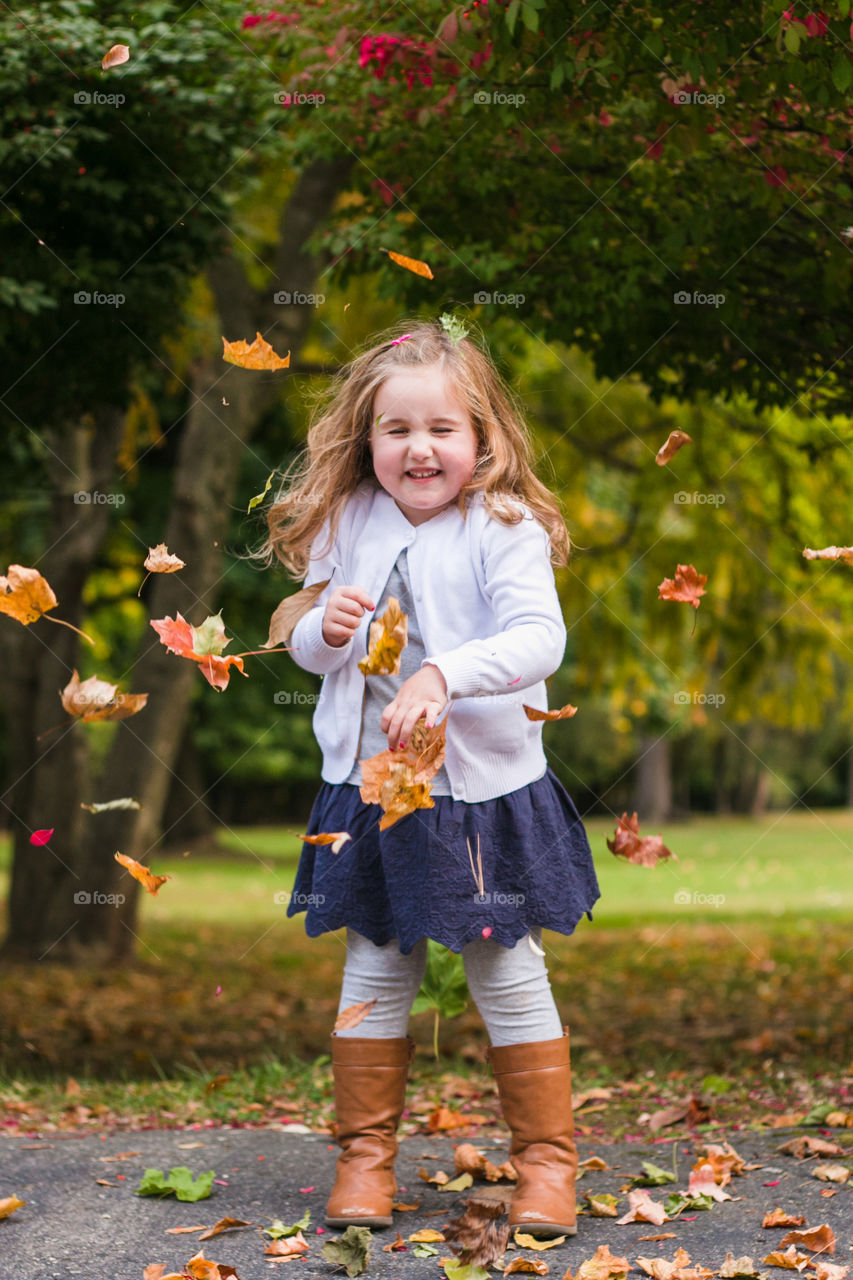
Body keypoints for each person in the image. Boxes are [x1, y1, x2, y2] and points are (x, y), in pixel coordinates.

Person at [259, 315, 600, 1238]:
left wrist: (443, 674)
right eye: (396, 429)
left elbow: (538, 639)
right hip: (373, 791)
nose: (419, 448)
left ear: (481, 439)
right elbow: (303, 642)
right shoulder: (345, 521)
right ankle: (364, 1163)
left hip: (478, 796)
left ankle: (545, 1167)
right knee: (375, 956)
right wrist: (321, 633)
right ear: (365, 439)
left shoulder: (502, 525)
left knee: (500, 959)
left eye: (441, 429)